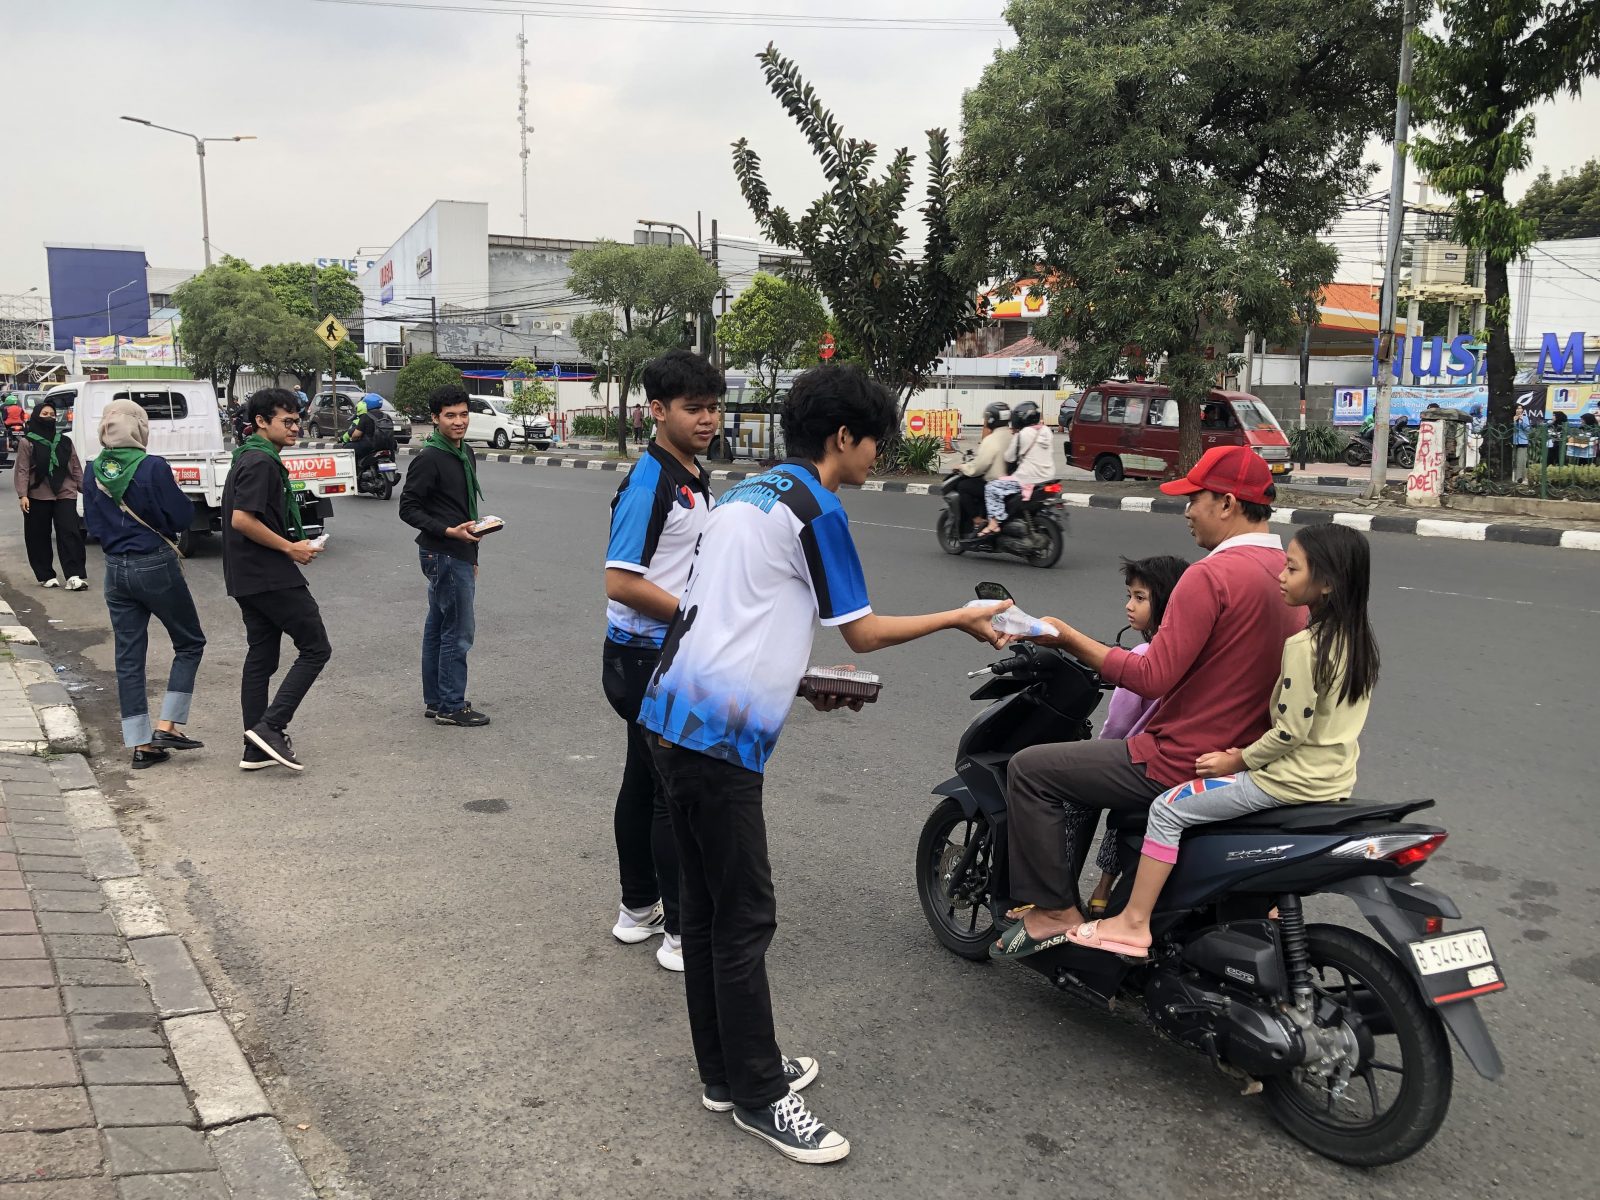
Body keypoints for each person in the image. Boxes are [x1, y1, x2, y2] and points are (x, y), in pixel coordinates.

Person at [637, 364, 1006, 1164]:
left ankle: (728, 1073)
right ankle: (762, 1097)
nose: (878, 457)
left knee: (703, 916)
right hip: (716, 743)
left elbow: (727, 620)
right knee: (743, 920)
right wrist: (962, 617)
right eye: (877, 442)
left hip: (668, 719)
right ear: (844, 437)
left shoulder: (743, 494)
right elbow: (864, 632)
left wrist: (798, 681)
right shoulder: (816, 507)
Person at [991, 445, 1305, 960]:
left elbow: (1151, 676)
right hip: (1251, 761)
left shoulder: (1210, 576)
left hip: (1179, 760)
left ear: (1226, 503)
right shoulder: (1290, 576)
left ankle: (1055, 911)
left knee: (1031, 769)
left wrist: (1068, 637)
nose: (1187, 511)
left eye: (1194, 499)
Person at [1069, 525, 1379, 957]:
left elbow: (1291, 732)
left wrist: (1237, 760)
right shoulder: (1356, 642)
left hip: (1286, 781)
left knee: (1167, 809)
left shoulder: (1304, 646)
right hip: (1335, 782)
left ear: (1326, 583)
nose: (1280, 577)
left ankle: (1133, 922)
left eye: (1291, 569)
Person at [602, 350, 723, 973]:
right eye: (692, 408)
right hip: (645, 657)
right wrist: (695, 617)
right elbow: (621, 582)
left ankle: (637, 909)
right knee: (672, 795)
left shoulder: (689, 472)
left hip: (655, 652)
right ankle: (680, 932)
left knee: (644, 780)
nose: (707, 419)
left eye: (713, 407)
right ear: (657, 410)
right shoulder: (651, 480)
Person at [82, 400, 207, 771]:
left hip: (114, 570)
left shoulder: (93, 470)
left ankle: (140, 743)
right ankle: (167, 726)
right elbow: (183, 516)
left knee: (128, 656)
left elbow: (91, 523)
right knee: (189, 642)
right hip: (154, 563)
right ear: (139, 428)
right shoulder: (152, 466)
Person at [223, 388, 329, 771]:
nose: (295, 427)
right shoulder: (260, 462)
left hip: (245, 574)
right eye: (286, 420)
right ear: (261, 422)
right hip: (267, 574)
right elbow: (242, 520)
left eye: (297, 419)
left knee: (262, 657)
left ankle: (254, 749)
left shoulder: (249, 456)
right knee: (316, 647)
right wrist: (289, 548)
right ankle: (271, 727)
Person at [1081, 555, 1190, 918]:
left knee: (1079, 786)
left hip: (1145, 761)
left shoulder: (1144, 655)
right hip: (1186, 765)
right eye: (1129, 595)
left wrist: (1095, 754)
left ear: (1166, 601)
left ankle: (1089, 892)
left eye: (1140, 598)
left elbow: (1117, 726)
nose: (1129, 605)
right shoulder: (1193, 653)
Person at [398, 384, 489, 728]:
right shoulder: (430, 458)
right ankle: (452, 704)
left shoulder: (465, 453)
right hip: (444, 552)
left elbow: (466, 506)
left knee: (438, 626)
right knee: (458, 631)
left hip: (459, 551)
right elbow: (408, 508)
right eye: (450, 415)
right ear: (435, 419)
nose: (458, 421)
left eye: (463, 414)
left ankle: (436, 699)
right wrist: (450, 532)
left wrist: (474, 551)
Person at [14, 400, 88, 590]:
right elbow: (22, 469)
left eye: (52, 414)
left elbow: (76, 467)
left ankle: (74, 575)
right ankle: (46, 574)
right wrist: (23, 494)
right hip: (37, 494)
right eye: (44, 414)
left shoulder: (64, 441)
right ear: (37, 417)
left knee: (70, 533)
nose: (49, 417)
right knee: (38, 535)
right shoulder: (27, 442)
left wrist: (86, 490)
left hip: (65, 492)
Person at [975, 399, 1053, 538]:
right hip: (1048, 478)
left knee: (991, 488)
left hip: (1027, 479)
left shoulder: (1022, 435)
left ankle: (993, 523)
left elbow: (1009, 457)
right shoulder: (1047, 431)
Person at [954, 402, 1012, 533]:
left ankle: (977, 520)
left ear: (991, 420)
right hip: (1012, 482)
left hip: (995, 483)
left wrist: (963, 467)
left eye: (986, 418)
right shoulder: (1013, 436)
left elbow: (978, 467)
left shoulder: (991, 440)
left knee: (963, 486)